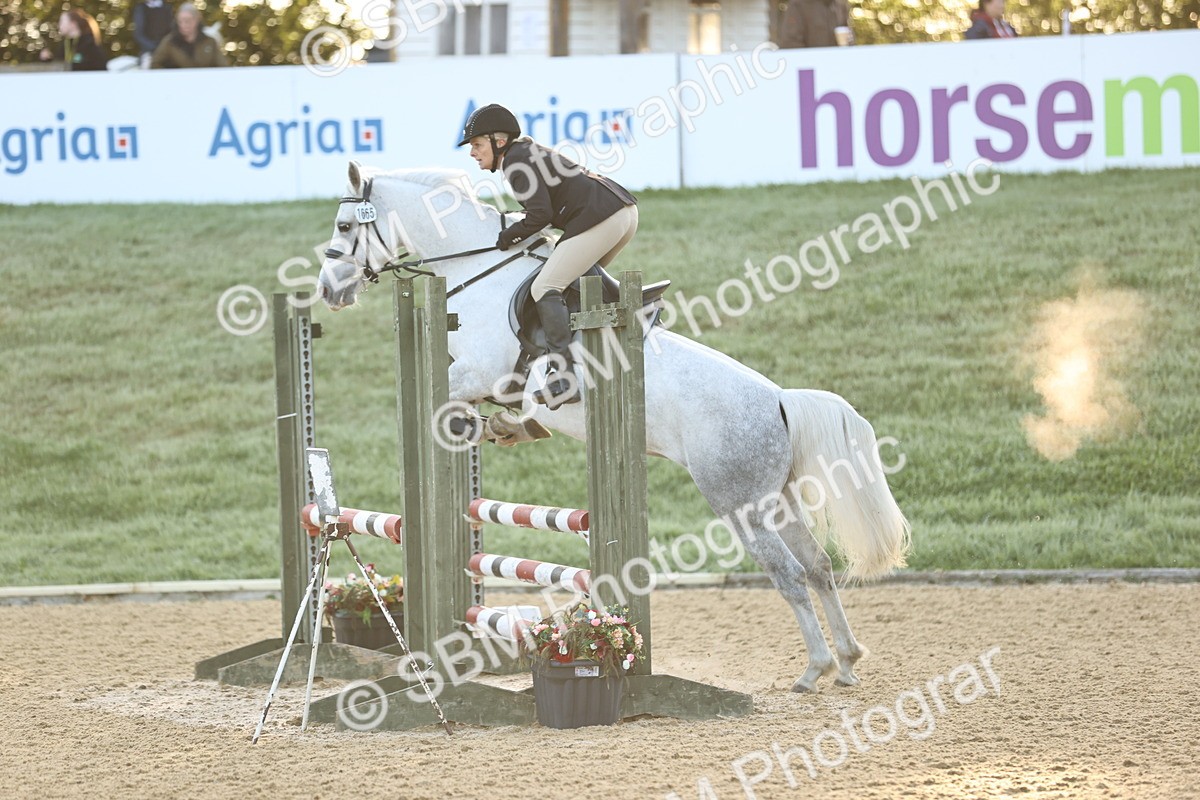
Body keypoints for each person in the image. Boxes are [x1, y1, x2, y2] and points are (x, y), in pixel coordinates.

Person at [459, 103, 638, 409]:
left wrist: (507, 237)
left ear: (499, 141)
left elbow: (539, 215)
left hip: (603, 216)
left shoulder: (515, 162)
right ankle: (595, 349)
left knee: (545, 287)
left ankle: (563, 379)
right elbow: (542, 212)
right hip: (621, 212)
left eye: (477, 145)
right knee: (572, 284)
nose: (473, 153)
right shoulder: (524, 153)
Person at [151, 3, 226, 68]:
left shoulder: (209, 42)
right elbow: (155, 64)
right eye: (180, 21)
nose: (184, 25)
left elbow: (223, 66)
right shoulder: (169, 42)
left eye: (187, 21)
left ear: (197, 20)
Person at [38, 8, 107, 71]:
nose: (59, 25)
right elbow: (60, 67)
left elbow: (94, 66)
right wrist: (48, 60)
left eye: (62, 22)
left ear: (73, 24)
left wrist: (72, 65)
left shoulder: (89, 44)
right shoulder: (65, 44)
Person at [778, 0, 853, 49]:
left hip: (836, 64)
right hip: (809, 66)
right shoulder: (798, 5)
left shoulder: (840, 5)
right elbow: (790, 43)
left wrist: (848, 43)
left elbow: (848, 38)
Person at [133, 0, 174, 68]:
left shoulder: (167, 7)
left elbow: (171, 32)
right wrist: (154, 48)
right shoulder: (141, 8)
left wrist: (165, 48)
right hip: (148, 52)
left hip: (167, 50)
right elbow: (139, 35)